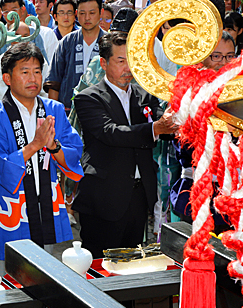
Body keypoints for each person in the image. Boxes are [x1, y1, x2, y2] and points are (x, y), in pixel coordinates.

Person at [0, 42, 83, 276]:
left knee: (48, 278)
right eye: (24, 72)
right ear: (7, 78)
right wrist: (35, 145)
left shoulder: (54, 109)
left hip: (46, 207)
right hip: (11, 211)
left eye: (37, 71)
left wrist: (53, 147)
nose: (32, 78)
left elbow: (75, 153)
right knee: (7, 282)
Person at [72, 31, 177, 258]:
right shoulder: (88, 97)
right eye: (121, 60)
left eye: (131, 60)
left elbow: (162, 124)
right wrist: (155, 129)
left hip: (138, 197)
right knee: (101, 268)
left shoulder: (143, 95)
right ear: (103, 63)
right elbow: (111, 133)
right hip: (104, 198)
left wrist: (175, 118)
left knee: (130, 267)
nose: (128, 67)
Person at [170, 31, 237, 225]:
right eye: (216, 56)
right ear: (203, 57)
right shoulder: (187, 92)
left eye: (229, 56)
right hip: (197, 190)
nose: (223, 62)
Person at [44, 0, 106, 113]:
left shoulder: (110, 43)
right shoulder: (66, 42)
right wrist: (54, 116)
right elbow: (54, 83)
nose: (87, 18)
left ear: (101, 13)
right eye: (82, 13)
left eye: (92, 13)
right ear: (77, 14)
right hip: (68, 110)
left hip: (102, 111)